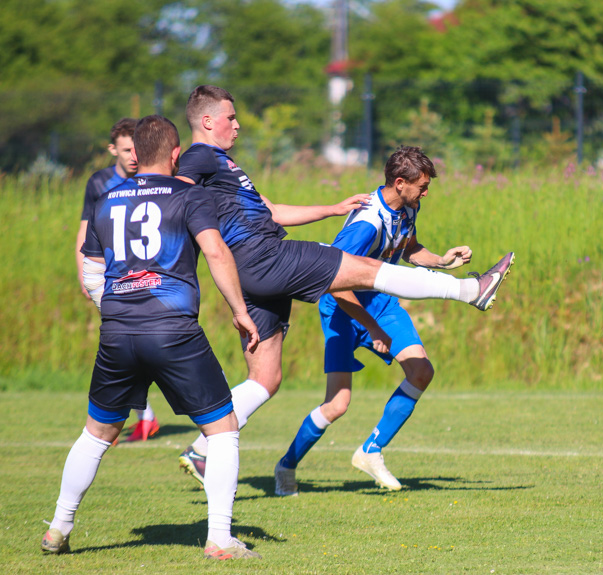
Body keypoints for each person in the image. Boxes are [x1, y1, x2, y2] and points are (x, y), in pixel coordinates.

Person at [174, 85, 514, 488]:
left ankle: (201, 448)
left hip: (269, 273)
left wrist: (333, 209)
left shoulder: (227, 168)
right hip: (280, 267)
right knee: (361, 288)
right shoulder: (200, 156)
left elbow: (274, 211)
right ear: (208, 121)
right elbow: (175, 193)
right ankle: (470, 291)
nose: (238, 124)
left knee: (266, 379)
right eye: (231, 118)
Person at [42, 115, 262, 560]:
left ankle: (58, 529)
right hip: (173, 330)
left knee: (96, 434)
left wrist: (116, 308)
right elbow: (216, 251)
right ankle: (220, 539)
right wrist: (240, 311)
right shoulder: (191, 194)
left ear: (135, 154)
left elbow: (91, 270)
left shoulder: (105, 199)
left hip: (118, 332)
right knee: (222, 430)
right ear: (176, 154)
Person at [274, 146, 474, 494]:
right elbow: (334, 284)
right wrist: (372, 327)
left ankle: (371, 450)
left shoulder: (409, 206)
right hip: (341, 308)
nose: (426, 192)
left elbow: (407, 247)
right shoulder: (366, 224)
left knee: (421, 370)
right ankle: (286, 466)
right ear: (400, 183)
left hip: (380, 301)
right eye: (422, 186)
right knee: (337, 404)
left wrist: (441, 260)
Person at [75, 117, 160, 443]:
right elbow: (85, 232)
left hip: (148, 279)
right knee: (123, 346)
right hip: (109, 279)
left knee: (149, 344)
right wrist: (85, 274)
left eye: (137, 148)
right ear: (113, 149)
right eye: (126, 149)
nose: (133, 155)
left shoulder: (153, 180)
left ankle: (134, 418)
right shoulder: (99, 183)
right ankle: (139, 417)